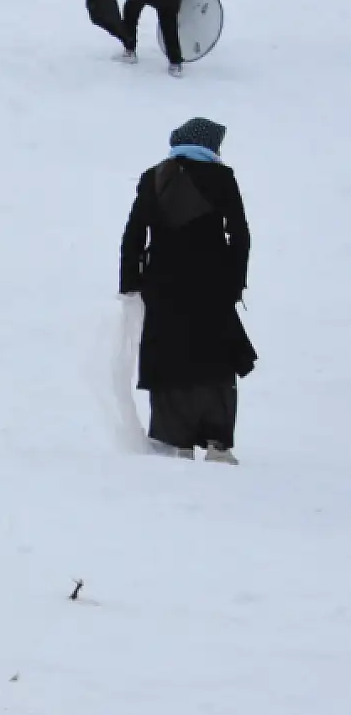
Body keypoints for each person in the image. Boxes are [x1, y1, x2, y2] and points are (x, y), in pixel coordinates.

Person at [119, 117, 255, 462]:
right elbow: (240, 233)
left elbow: (134, 232)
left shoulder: (154, 177)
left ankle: (175, 440)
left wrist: (131, 283)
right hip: (212, 281)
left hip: (162, 282)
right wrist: (235, 283)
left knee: (170, 356)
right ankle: (216, 444)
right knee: (215, 357)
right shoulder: (222, 178)